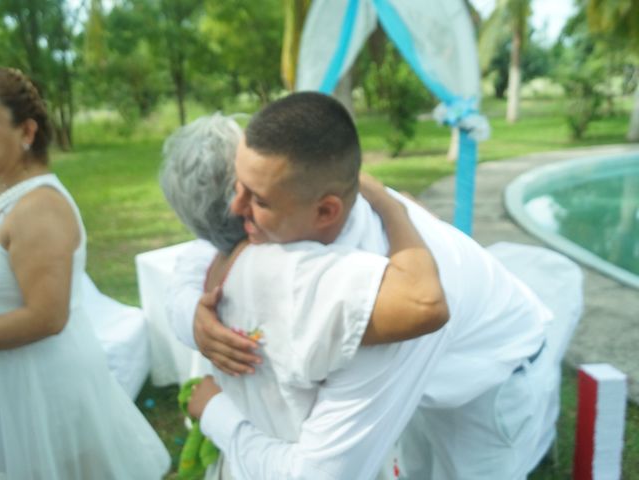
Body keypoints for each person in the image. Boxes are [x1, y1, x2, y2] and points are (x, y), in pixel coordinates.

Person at [171, 93, 555, 480]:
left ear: (326, 211)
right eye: (240, 186)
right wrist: (191, 316)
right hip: (440, 373)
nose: (236, 210)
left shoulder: (380, 304)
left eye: (257, 199)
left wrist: (218, 414)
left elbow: (320, 475)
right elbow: (202, 248)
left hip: (493, 383)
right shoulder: (302, 216)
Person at [160, 113, 449, 474]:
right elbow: (424, 303)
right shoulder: (287, 271)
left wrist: (190, 319)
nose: (239, 204)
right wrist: (391, 204)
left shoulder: (235, 267)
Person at [0, 67, 170, 479]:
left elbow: (46, 316)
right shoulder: (8, 194)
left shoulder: (39, 206)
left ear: (26, 131)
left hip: (37, 387)